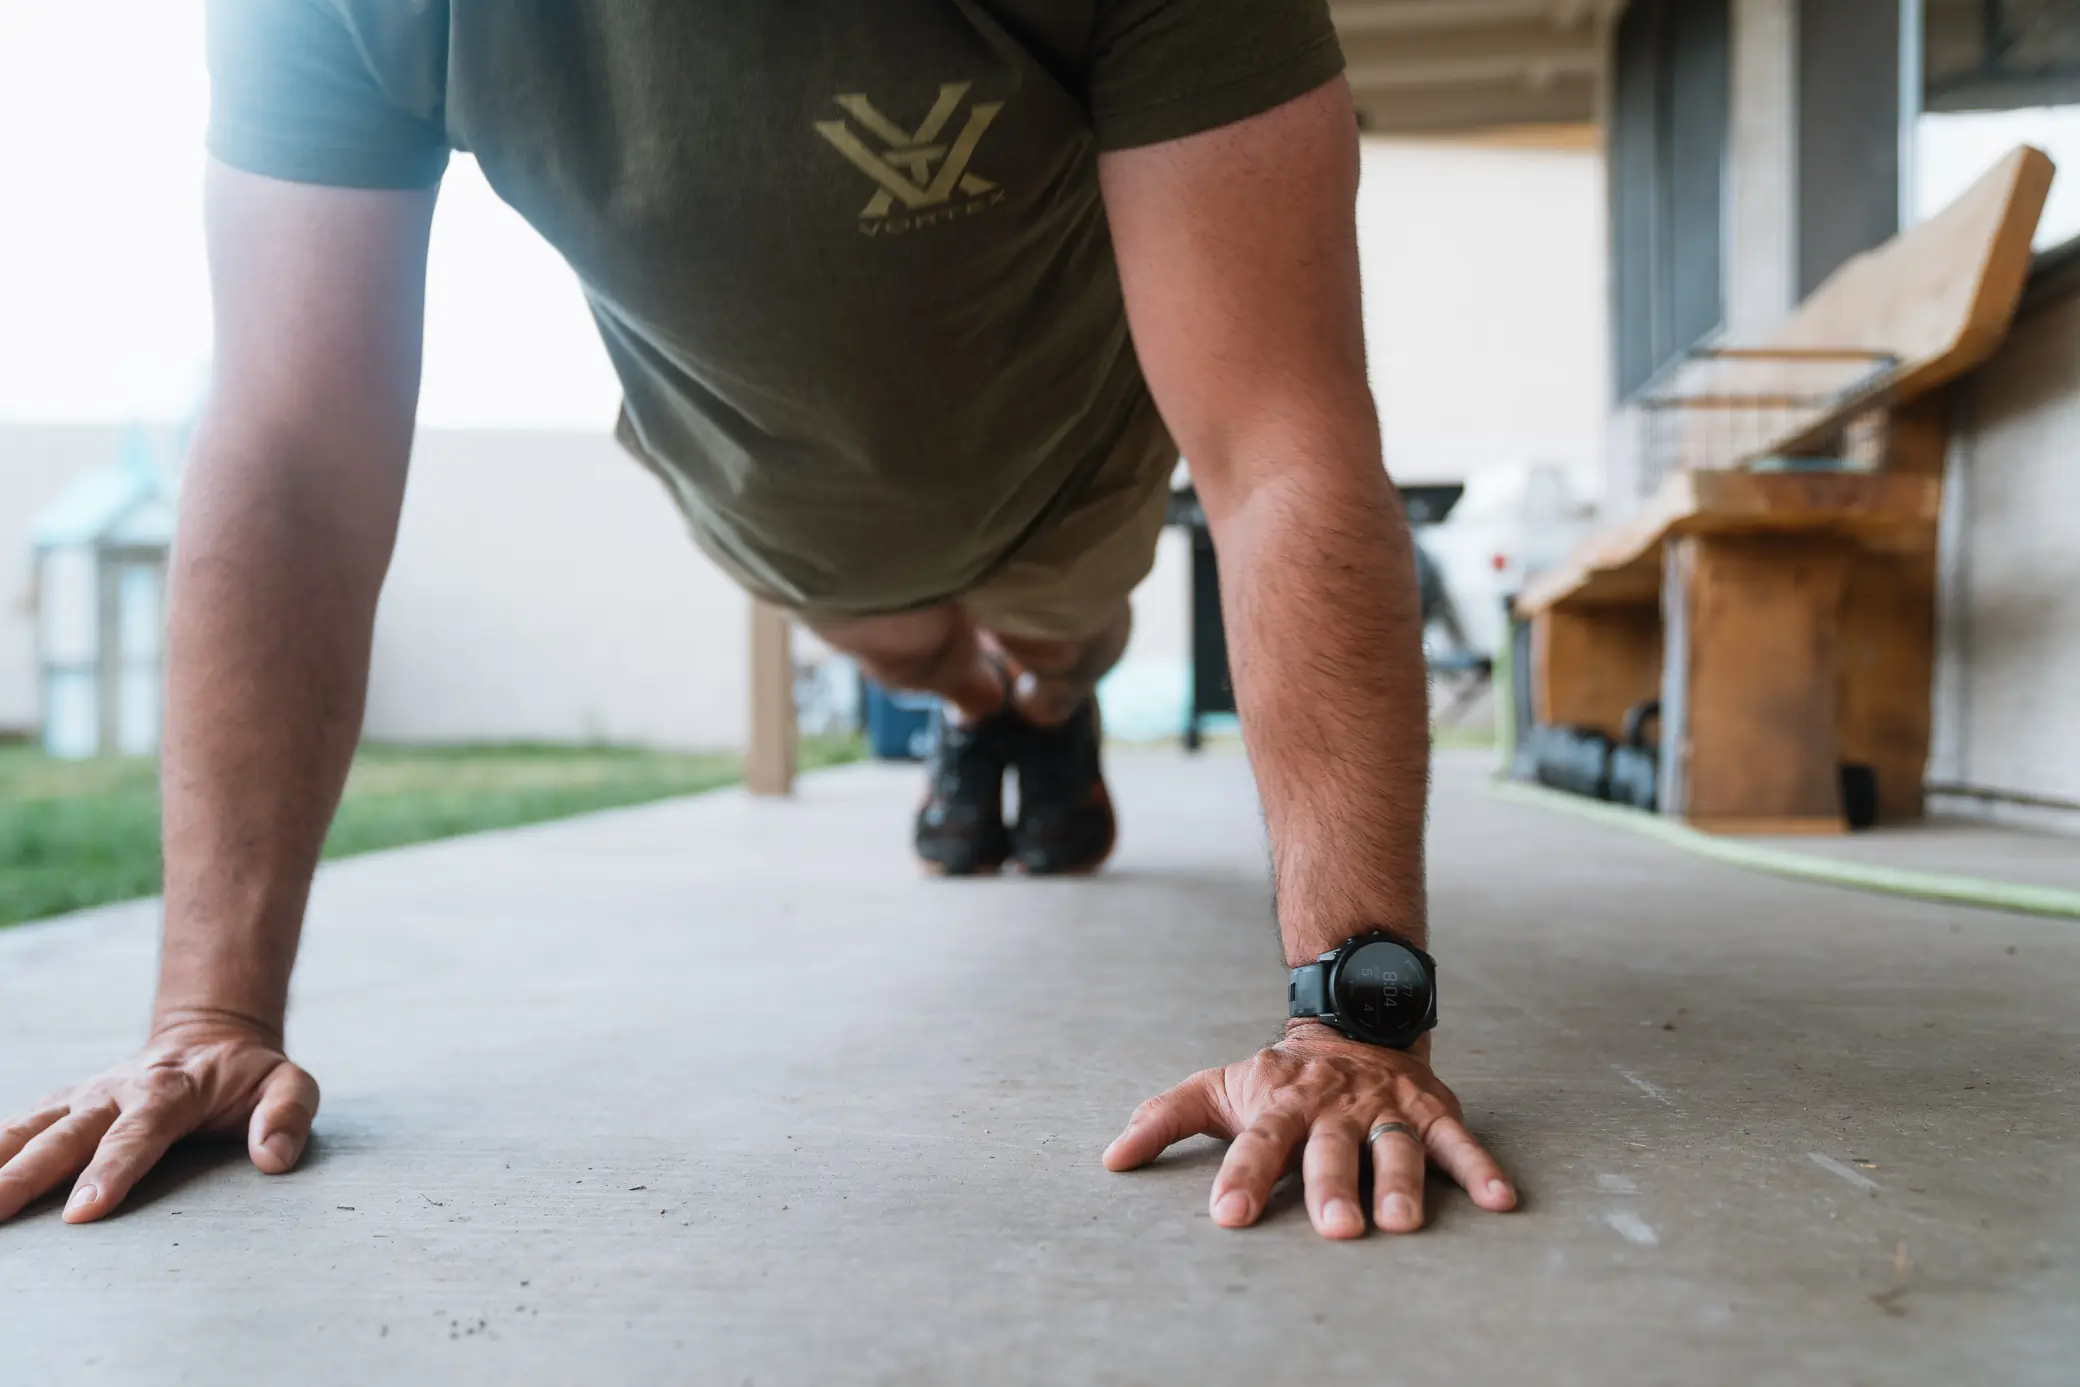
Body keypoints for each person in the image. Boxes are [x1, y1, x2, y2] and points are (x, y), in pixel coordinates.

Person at [0, 0, 1517, 1241]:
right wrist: (206, 1011)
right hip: (785, 499)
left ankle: (1048, 717)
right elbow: (293, 456)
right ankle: (980, 719)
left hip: (1066, 473)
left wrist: (1356, 1020)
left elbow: (1279, 444)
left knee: (1056, 646)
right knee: (917, 653)